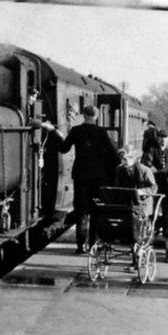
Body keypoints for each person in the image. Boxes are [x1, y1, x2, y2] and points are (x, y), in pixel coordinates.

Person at [52, 104, 118, 253]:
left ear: (83, 115)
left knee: (81, 211)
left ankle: (80, 246)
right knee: (96, 211)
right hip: (98, 177)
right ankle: (93, 244)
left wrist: (57, 135)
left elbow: (63, 148)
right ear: (96, 116)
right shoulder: (102, 132)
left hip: (81, 176)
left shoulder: (76, 131)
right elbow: (113, 154)